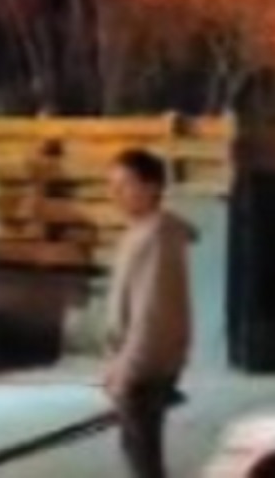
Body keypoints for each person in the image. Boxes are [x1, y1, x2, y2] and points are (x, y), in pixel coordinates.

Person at [102, 149, 196, 478]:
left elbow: (151, 312)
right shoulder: (139, 232)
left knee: (143, 459)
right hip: (136, 363)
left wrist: (129, 370)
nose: (115, 194)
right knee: (139, 454)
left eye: (125, 184)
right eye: (111, 185)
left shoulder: (156, 237)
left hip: (146, 367)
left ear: (152, 186)